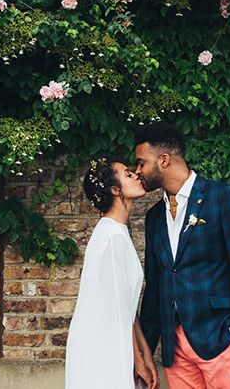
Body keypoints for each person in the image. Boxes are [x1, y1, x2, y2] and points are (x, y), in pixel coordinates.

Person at [134, 122, 230, 389]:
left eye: (141, 163)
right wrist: (146, 354)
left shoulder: (222, 197)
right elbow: (155, 289)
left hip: (220, 339)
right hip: (176, 350)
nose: (138, 171)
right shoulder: (154, 218)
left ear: (163, 159)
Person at [65, 157, 159, 389]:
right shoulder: (111, 236)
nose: (136, 175)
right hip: (102, 343)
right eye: (128, 174)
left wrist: (146, 353)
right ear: (115, 189)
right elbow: (118, 308)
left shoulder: (118, 231)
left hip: (114, 338)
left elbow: (126, 306)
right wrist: (138, 362)